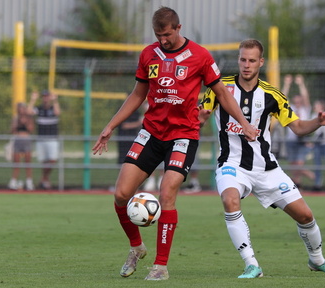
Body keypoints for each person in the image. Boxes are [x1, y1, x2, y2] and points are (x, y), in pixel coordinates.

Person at [92, 7, 256, 281]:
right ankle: (136, 248)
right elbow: (138, 94)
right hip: (152, 133)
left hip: (184, 135)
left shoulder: (201, 56)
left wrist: (245, 123)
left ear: (178, 28)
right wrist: (111, 125)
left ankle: (160, 266)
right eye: (158, 35)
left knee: (167, 193)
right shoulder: (148, 54)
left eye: (167, 35)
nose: (163, 40)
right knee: (121, 194)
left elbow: (223, 95)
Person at [199, 39, 325, 279]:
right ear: (238, 60)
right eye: (242, 60)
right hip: (231, 163)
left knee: (305, 216)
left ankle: (317, 260)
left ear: (261, 62)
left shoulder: (273, 95)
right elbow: (200, 117)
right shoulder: (219, 87)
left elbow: (298, 127)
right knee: (229, 200)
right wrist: (199, 117)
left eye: (251, 60)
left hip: (266, 168)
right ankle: (252, 265)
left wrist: (318, 122)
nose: (246, 65)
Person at [282, 74, 315, 187]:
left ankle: (311, 176)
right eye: (295, 101)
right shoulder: (291, 109)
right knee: (292, 165)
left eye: (298, 101)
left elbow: (305, 97)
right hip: (291, 139)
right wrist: (287, 84)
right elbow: (282, 99)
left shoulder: (305, 109)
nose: (297, 103)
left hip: (302, 139)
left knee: (299, 164)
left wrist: (301, 84)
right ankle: (298, 184)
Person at [27, 90, 60, 189]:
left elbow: (57, 112)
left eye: (47, 96)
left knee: (52, 160)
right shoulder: (39, 108)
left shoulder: (52, 107)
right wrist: (33, 100)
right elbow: (29, 112)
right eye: (44, 96)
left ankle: (43, 178)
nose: (45, 98)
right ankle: (46, 180)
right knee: (44, 161)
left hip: (52, 139)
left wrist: (55, 101)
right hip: (41, 139)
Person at [7, 102, 35, 191]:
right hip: (18, 140)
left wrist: (26, 123)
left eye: (22, 108)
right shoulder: (15, 118)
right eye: (19, 108)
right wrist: (17, 124)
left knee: (28, 163)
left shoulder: (29, 118)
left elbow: (31, 129)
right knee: (16, 163)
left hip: (26, 140)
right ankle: (13, 182)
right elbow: (12, 130)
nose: (20, 110)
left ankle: (29, 182)